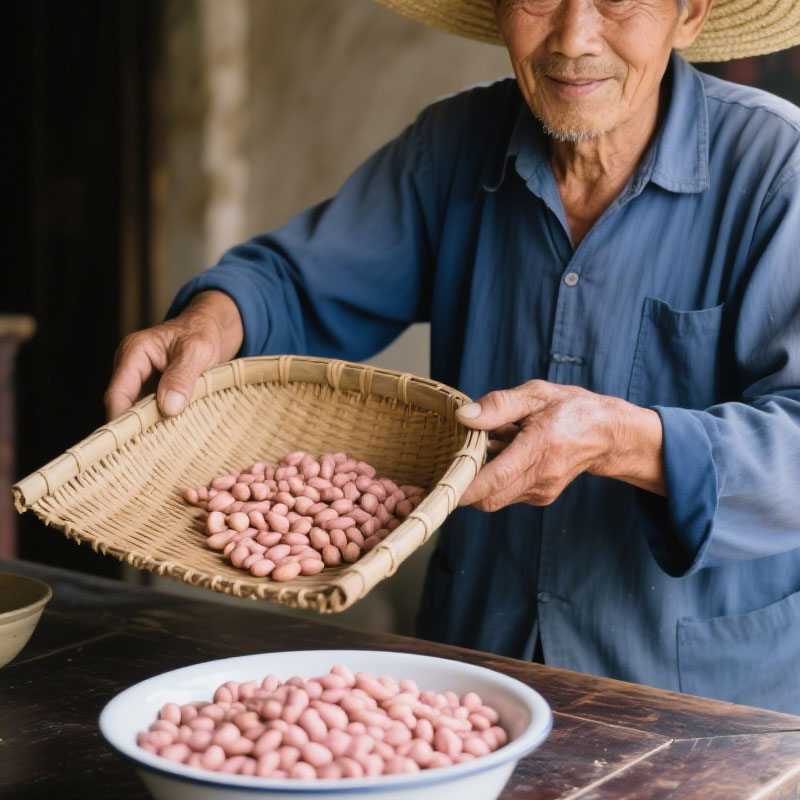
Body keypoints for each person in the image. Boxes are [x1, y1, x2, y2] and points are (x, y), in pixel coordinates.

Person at [105, 0, 800, 713]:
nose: (574, 37)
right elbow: (295, 281)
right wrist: (209, 322)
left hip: (702, 701)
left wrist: (623, 439)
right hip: (472, 677)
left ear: (689, 17)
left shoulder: (777, 169)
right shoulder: (454, 145)